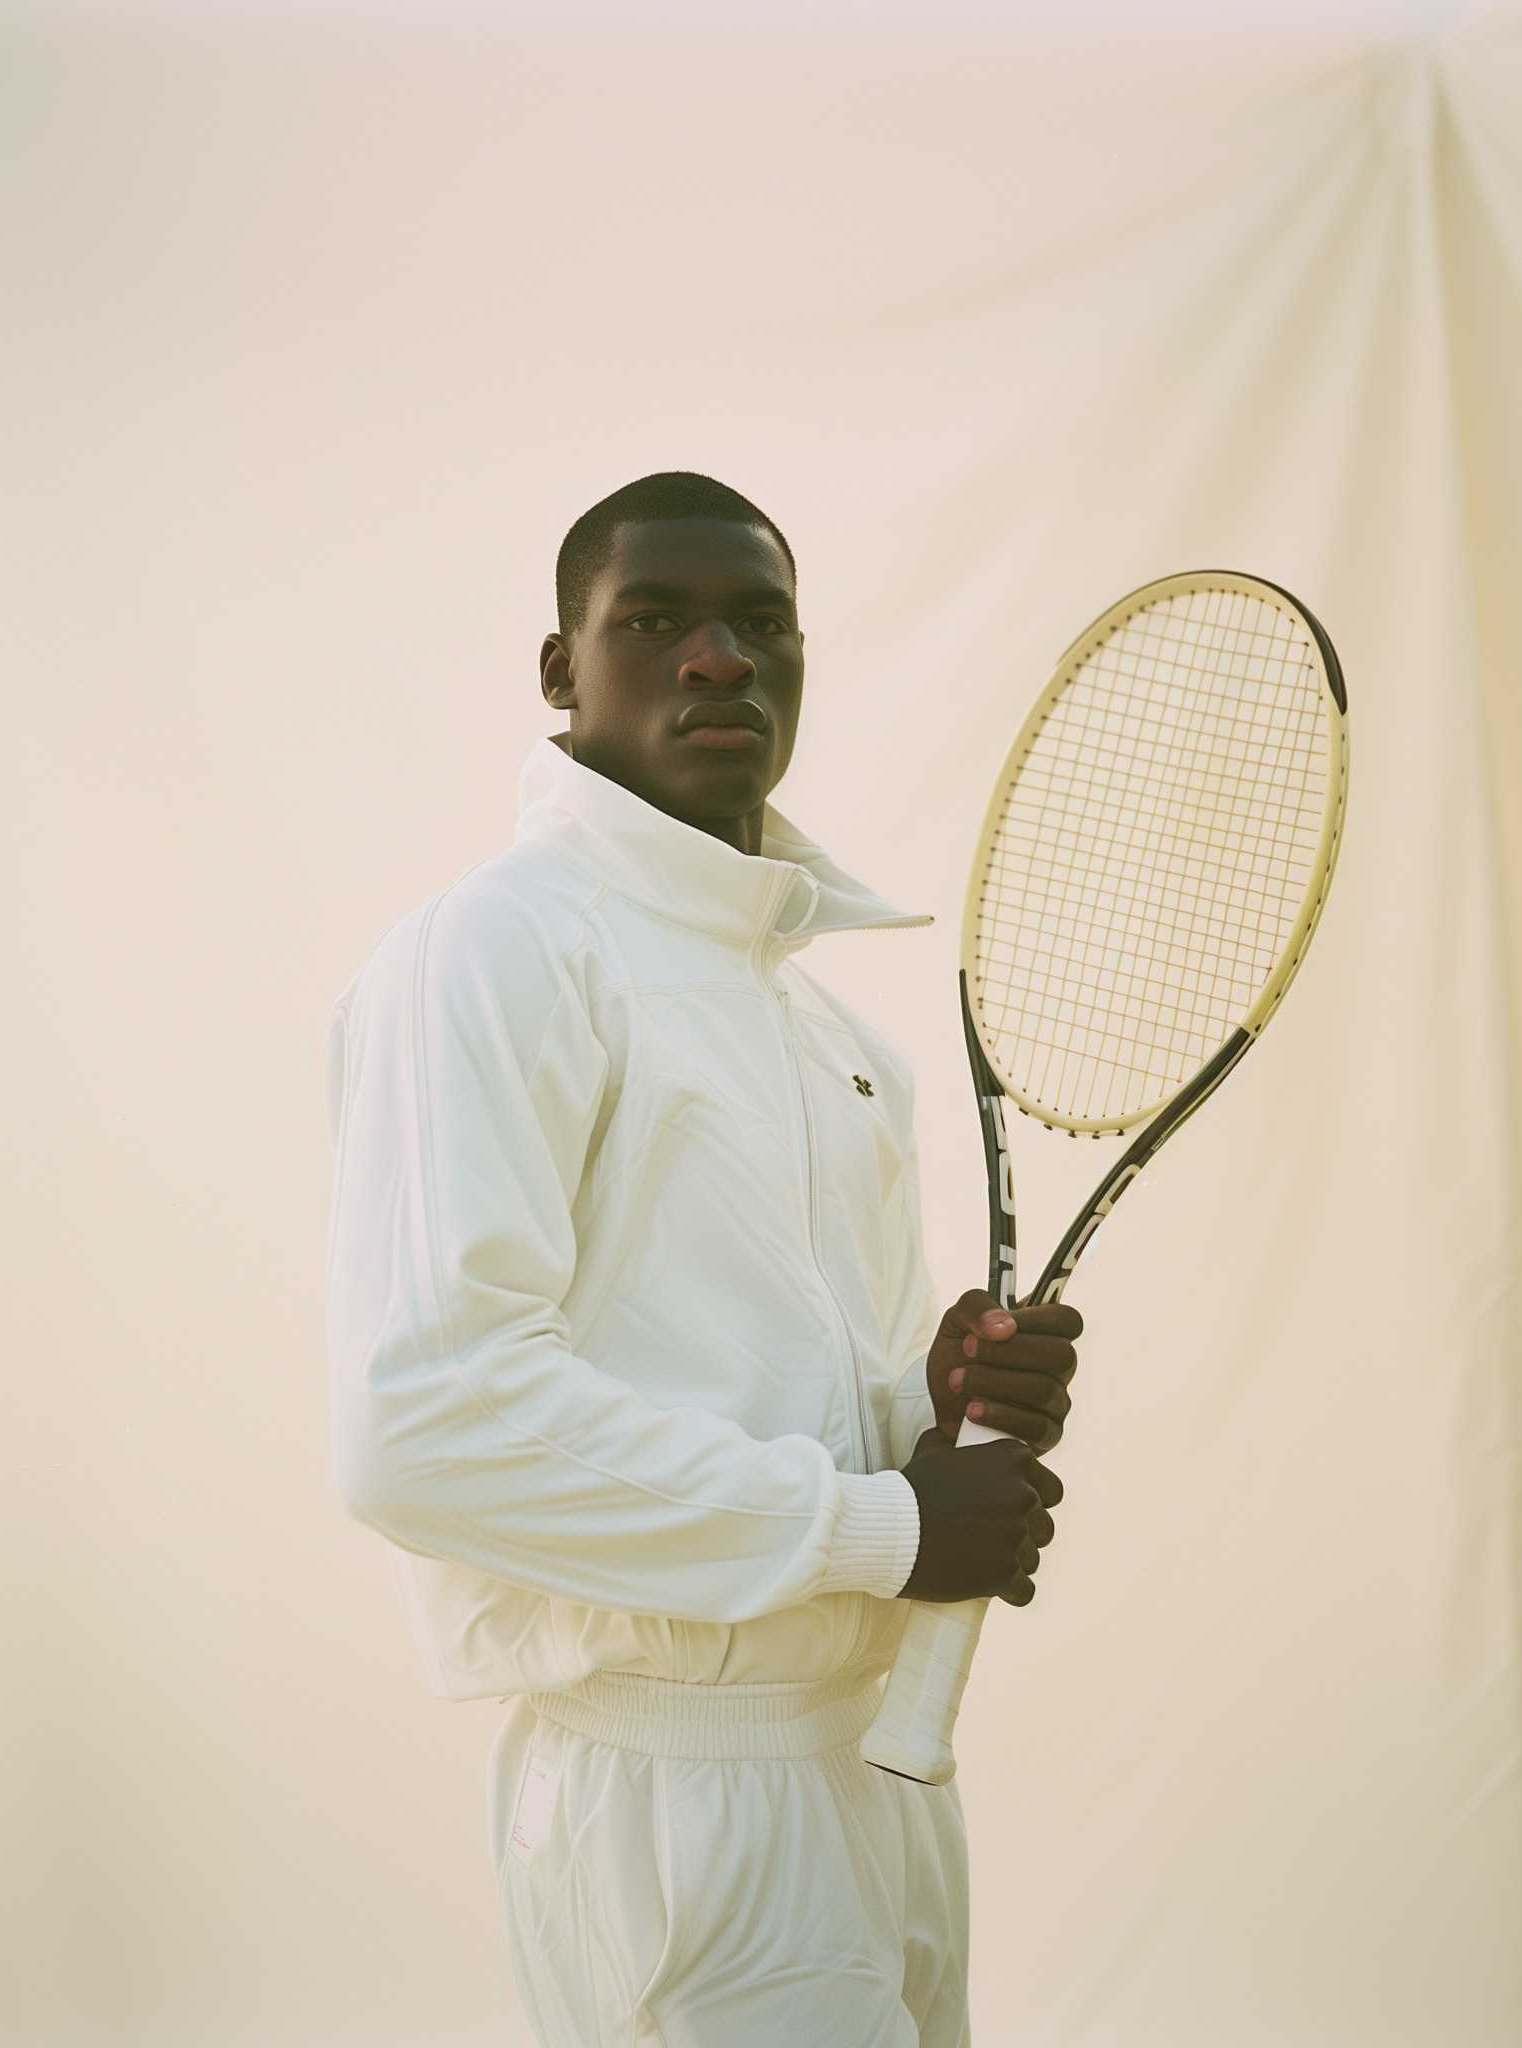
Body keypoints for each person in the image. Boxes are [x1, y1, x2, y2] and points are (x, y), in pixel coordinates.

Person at [324, 471, 1084, 2046]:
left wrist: (924, 1409)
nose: (719, 657)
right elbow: (428, 1425)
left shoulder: (829, 1028)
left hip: (875, 1772)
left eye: (758, 623)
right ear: (561, 669)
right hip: (676, 1807)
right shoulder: (498, 950)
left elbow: (767, 1396)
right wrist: (886, 1525)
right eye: (654, 619)